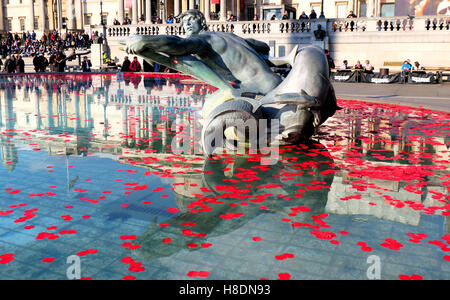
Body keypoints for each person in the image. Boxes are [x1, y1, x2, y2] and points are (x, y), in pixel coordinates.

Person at [124, 9, 281, 96]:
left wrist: (144, 40)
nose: (186, 26)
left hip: (259, 92)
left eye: (190, 20)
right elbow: (264, 47)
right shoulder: (231, 35)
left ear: (202, 21)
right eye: (183, 23)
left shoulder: (202, 40)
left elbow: (178, 45)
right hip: (276, 83)